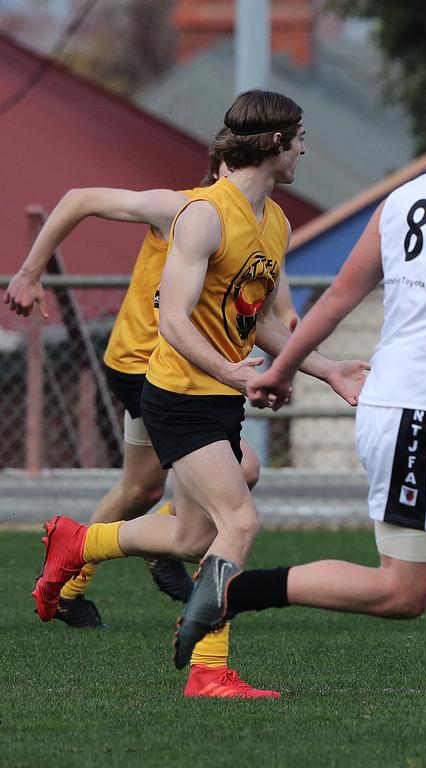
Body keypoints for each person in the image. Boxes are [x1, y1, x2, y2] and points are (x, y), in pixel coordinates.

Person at [172, 69, 426, 741]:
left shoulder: (404, 198)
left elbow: (337, 297)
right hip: (420, 416)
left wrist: (279, 368)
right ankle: (234, 592)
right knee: (402, 594)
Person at [29, 90, 368, 698]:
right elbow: (175, 321)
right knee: (238, 518)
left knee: (190, 537)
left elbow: (256, 319)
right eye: (298, 140)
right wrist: (241, 374)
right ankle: (210, 672)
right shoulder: (204, 213)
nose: (304, 150)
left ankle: (80, 541)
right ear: (273, 145)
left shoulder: (276, 222)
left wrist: (329, 368)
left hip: (218, 396)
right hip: (177, 391)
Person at [3, 133, 299, 630]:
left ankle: (90, 570)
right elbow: (79, 199)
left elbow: (276, 307)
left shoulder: (259, 226)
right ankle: (156, 546)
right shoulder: (184, 210)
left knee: (142, 489)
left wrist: (304, 351)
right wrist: (30, 273)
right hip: (147, 367)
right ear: (231, 163)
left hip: (190, 372)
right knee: (238, 471)